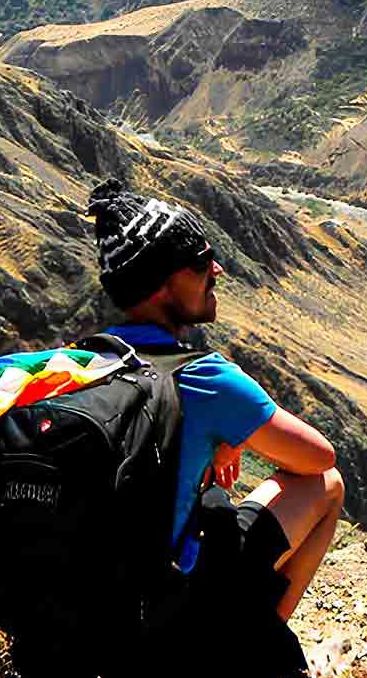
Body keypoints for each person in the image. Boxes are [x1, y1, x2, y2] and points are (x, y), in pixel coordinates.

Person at [87, 178, 345, 634]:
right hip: (163, 616)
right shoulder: (205, 378)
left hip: (83, 616)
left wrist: (218, 442)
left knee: (212, 500)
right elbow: (319, 457)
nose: (217, 270)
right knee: (329, 483)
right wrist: (233, 432)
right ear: (165, 282)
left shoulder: (76, 364)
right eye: (201, 261)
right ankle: (254, 644)